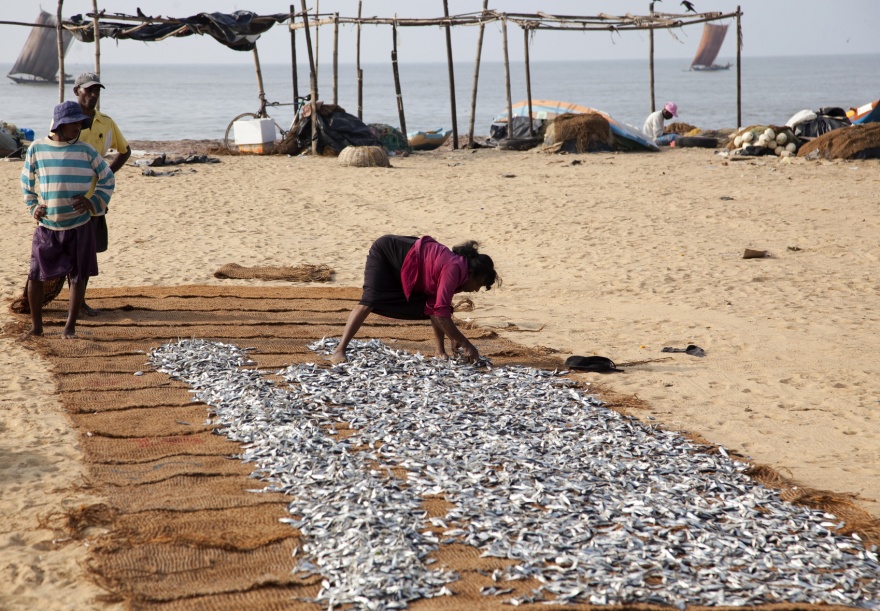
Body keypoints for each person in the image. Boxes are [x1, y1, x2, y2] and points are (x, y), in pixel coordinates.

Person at [21, 101, 115, 338]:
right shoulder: (37, 148)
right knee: (35, 275)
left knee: (77, 276)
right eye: (74, 123)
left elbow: (107, 178)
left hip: (79, 225)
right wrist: (33, 206)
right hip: (47, 226)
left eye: (81, 124)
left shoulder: (86, 151)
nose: (79, 128)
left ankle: (69, 327)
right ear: (60, 124)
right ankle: (36, 327)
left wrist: (92, 202)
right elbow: (26, 181)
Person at [331, 235, 500, 365]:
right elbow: (441, 314)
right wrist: (466, 344)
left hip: (408, 262)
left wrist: (453, 338)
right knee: (370, 300)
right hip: (387, 252)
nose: (476, 289)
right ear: (472, 274)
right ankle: (339, 350)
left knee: (432, 306)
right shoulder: (454, 268)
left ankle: (439, 352)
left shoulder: (460, 271)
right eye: (479, 284)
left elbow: (438, 307)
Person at [73, 72, 131, 316]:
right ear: (77, 91)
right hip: (69, 197)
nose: (94, 95)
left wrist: (108, 173)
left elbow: (124, 150)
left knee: (87, 251)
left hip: (95, 200)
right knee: (67, 249)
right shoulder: (67, 119)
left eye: (97, 91)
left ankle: (80, 301)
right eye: (89, 90)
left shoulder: (105, 122)